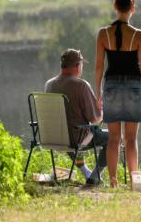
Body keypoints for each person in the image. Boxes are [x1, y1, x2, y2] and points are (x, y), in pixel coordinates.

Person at [95, 0, 141, 187]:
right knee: (131, 139)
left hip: (110, 86)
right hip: (133, 87)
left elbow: (98, 67)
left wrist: (98, 93)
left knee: (113, 139)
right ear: (132, 9)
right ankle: (134, 181)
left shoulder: (103, 33)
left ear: (115, 8)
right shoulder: (139, 35)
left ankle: (113, 181)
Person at [44, 48, 108, 184]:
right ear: (78, 66)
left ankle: (87, 173)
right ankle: (94, 177)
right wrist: (102, 110)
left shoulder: (49, 84)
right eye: (82, 65)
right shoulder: (81, 86)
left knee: (67, 128)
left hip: (52, 137)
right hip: (74, 139)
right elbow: (95, 119)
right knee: (114, 137)